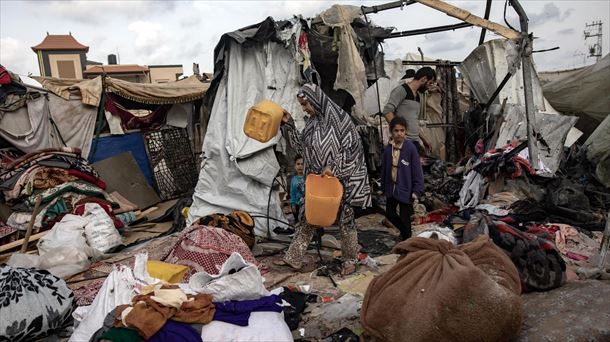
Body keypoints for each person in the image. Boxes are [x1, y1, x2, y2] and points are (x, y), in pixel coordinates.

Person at [274, 83, 371, 276]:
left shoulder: (341, 120)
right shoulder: (311, 123)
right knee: (307, 217)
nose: (305, 109)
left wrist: (334, 167)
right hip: (318, 181)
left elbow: (353, 149)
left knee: (346, 220)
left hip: (342, 180)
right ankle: (294, 258)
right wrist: (290, 125)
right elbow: (301, 149)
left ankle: (350, 260)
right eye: (302, 105)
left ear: (317, 101)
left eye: (306, 104)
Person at [381, 116, 424, 241]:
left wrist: (417, 190)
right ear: (391, 131)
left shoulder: (410, 148)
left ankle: (407, 239)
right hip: (391, 188)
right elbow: (385, 170)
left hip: (406, 188)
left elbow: (417, 171)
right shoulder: (388, 149)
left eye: (402, 130)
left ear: (405, 132)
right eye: (396, 130)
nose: (399, 134)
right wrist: (383, 187)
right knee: (390, 213)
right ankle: (405, 233)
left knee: (405, 218)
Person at [382, 67, 436, 154]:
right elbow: (387, 112)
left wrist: (424, 139)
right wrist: (400, 135)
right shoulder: (401, 90)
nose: (428, 86)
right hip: (403, 142)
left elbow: (413, 121)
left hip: (414, 142)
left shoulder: (418, 96)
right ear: (424, 79)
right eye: (429, 83)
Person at [290, 155, 305, 223]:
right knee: (298, 222)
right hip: (297, 204)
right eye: (298, 164)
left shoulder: (308, 178)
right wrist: (293, 204)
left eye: (302, 164)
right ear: (295, 166)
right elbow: (292, 193)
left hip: (306, 205)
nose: (300, 166)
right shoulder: (294, 179)